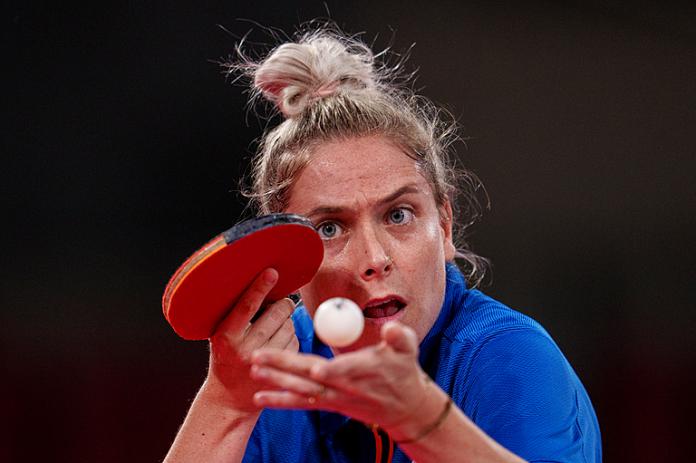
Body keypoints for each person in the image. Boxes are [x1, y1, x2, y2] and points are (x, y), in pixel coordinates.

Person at [164, 25, 601, 463]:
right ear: (291, 256)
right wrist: (226, 404)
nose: (373, 260)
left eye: (398, 216)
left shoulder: (506, 357)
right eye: (330, 228)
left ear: (445, 227)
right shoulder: (280, 369)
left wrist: (423, 422)